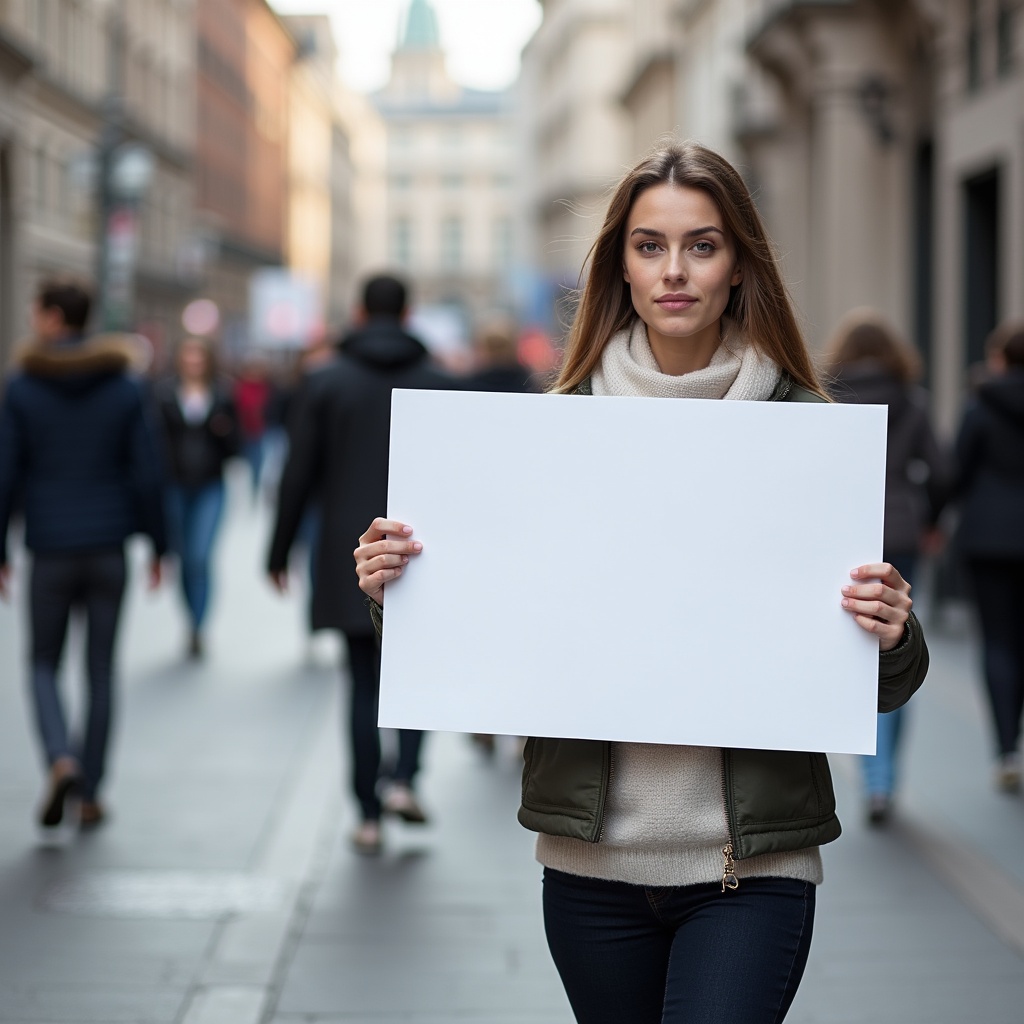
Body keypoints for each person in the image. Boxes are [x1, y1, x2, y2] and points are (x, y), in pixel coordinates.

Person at [353, 142, 930, 1024]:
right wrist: (398, 588)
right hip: (590, 872)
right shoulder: (550, 436)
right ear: (619, 265)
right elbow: (479, 637)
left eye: (702, 245)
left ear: (739, 266)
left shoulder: (808, 437)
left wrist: (891, 628)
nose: (675, 270)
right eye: (649, 245)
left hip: (751, 871)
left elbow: (881, 685)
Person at [267, 273, 456, 855]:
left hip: (351, 556)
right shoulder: (438, 383)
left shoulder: (325, 383)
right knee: (416, 679)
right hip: (419, 553)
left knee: (360, 685)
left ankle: (367, 813)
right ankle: (404, 780)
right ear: (408, 313)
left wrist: (277, 551)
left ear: (356, 311)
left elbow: (296, 474)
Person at [0, 278, 166, 828]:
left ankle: (59, 757)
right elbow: (147, 471)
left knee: (43, 661)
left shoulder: (24, 387)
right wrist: (160, 544)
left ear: (51, 319)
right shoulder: (122, 386)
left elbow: (6, 472)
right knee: (100, 669)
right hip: (107, 548)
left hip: (49, 545)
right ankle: (91, 790)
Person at [825, 309, 951, 824]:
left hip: (846, 540)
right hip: (901, 531)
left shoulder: (828, 400)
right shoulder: (912, 401)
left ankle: (869, 775)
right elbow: (941, 471)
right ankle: (884, 780)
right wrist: (931, 520)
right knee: (897, 648)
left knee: (855, 655)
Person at [953, 321, 1024, 793]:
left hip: (989, 540)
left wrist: (933, 519)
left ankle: (1005, 749)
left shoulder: (981, 407)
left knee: (998, 642)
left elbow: (955, 471)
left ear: (999, 359)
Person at [154, 336, 240, 659]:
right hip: (174, 487)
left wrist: (223, 429)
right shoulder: (162, 394)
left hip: (210, 486)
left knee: (200, 557)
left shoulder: (221, 394)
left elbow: (236, 446)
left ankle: (198, 626)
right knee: (184, 559)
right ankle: (190, 619)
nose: (192, 362)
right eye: (187, 355)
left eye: (198, 356)